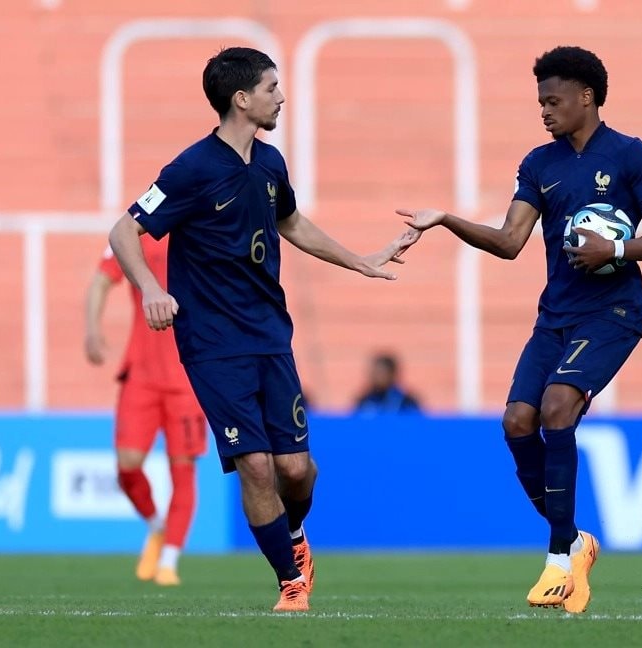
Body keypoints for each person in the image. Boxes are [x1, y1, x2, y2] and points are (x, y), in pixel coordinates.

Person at [107, 47, 417, 613]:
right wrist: (152, 289)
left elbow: (291, 221)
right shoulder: (191, 169)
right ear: (241, 98)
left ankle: (294, 538)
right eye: (272, 87)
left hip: (271, 335)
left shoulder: (271, 164)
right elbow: (124, 231)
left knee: (297, 471)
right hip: (211, 344)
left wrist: (362, 259)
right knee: (254, 464)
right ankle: (289, 584)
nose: (282, 96)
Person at [398, 46, 642, 613]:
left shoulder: (631, 156)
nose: (545, 112)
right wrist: (448, 220)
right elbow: (508, 242)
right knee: (517, 420)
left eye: (553, 101)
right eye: (539, 103)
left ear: (587, 96)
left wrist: (616, 248)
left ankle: (557, 558)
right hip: (554, 317)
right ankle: (577, 541)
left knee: (557, 406)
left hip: (613, 314)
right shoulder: (540, 164)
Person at [84, 237, 206, 586]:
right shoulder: (135, 232)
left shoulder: (202, 227)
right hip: (141, 373)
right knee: (127, 466)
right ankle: (156, 527)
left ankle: (169, 561)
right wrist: (92, 329)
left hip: (188, 377)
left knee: (183, 471)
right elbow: (100, 280)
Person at [353, 353, 422, 415]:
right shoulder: (365, 400)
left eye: (382, 373)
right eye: (375, 372)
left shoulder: (405, 401)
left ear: (392, 374)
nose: (377, 376)